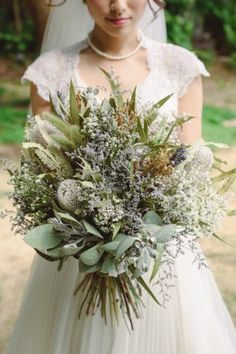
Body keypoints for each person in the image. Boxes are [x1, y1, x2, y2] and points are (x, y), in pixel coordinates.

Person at [4, 1, 236, 353]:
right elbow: (45, 171)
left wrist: (148, 215)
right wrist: (95, 223)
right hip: (81, 258)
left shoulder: (180, 67)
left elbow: (190, 165)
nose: (117, 5)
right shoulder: (49, 73)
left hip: (163, 261)